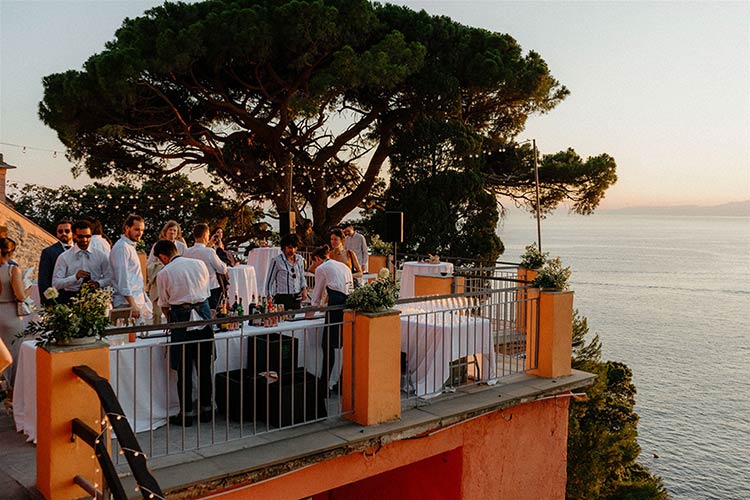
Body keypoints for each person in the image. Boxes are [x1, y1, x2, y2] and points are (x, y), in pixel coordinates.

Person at [154, 239, 214, 427]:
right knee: (204, 369)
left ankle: (186, 413)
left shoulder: (164, 273)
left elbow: (164, 304)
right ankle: (206, 410)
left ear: (163, 256)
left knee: (185, 371)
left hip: (182, 322)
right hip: (204, 320)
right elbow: (207, 293)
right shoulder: (199, 264)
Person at [308, 245, 353, 394]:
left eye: (314, 262)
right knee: (345, 345)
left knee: (327, 345)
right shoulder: (343, 266)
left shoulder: (322, 269)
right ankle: (341, 382)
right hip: (349, 304)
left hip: (335, 305)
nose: (314, 266)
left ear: (317, 259)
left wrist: (310, 314)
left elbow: (317, 294)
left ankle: (323, 385)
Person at [52, 220, 113, 303]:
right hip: (70, 298)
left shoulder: (100, 256)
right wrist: (75, 277)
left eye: (88, 236)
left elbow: (110, 277)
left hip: (94, 299)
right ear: (74, 236)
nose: (85, 239)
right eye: (80, 236)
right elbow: (56, 283)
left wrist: (98, 283)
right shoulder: (64, 257)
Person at [0, 238, 30, 390]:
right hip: (10, 315)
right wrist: (28, 288)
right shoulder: (13, 270)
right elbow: (20, 296)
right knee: (14, 354)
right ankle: (12, 391)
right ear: (11, 252)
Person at [110, 215, 152, 321]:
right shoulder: (122, 247)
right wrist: (132, 303)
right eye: (136, 229)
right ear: (127, 228)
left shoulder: (129, 246)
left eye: (142, 230)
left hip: (136, 300)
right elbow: (122, 277)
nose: (140, 233)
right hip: (127, 303)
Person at [146, 221, 188, 322]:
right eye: (170, 230)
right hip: (160, 281)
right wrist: (162, 266)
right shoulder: (158, 245)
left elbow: (186, 262)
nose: (172, 232)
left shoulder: (181, 246)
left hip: (177, 283)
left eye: (175, 230)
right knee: (157, 312)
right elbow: (149, 264)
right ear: (165, 231)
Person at [184, 223, 228, 310]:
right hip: (211, 288)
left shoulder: (186, 252)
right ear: (204, 235)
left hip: (193, 288)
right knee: (212, 313)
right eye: (208, 235)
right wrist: (220, 250)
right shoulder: (209, 252)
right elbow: (222, 269)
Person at [265, 234, 308, 310]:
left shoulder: (300, 259)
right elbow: (269, 281)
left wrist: (304, 289)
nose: (292, 251)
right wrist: (269, 296)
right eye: (290, 248)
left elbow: (302, 276)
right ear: (284, 247)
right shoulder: (276, 261)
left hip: (296, 296)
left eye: (295, 248)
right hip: (282, 297)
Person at [38, 220, 73, 305]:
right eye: (60, 231)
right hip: (58, 299)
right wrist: (47, 301)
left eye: (67, 231)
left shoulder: (81, 250)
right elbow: (44, 278)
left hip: (78, 298)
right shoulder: (48, 252)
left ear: (73, 232)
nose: (63, 233)